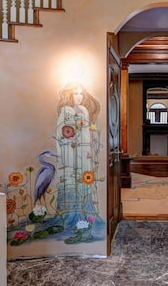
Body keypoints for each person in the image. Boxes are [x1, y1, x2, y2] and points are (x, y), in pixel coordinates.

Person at [54, 82, 103, 237]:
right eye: (75, 93)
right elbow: (61, 132)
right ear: (70, 95)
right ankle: (70, 217)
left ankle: (85, 215)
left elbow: (86, 132)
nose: (79, 97)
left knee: (83, 181)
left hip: (83, 152)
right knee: (70, 180)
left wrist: (87, 150)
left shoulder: (83, 110)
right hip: (70, 152)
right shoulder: (65, 110)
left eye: (81, 93)